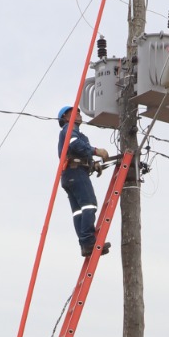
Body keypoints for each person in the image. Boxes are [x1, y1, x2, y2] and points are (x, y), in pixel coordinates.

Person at [57, 105, 110, 256]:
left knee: (78, 212)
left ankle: (85, 244)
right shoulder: (69, 129)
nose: (79, 114)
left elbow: (75, 152)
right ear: (66, 118)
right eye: (74, 113)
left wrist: (93, 164)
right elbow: (74, 144)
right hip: (76, 172)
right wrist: (96, 151)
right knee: (89, 205)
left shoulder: (76, 133)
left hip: (69, 175)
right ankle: (89, 241)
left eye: (79, 112)